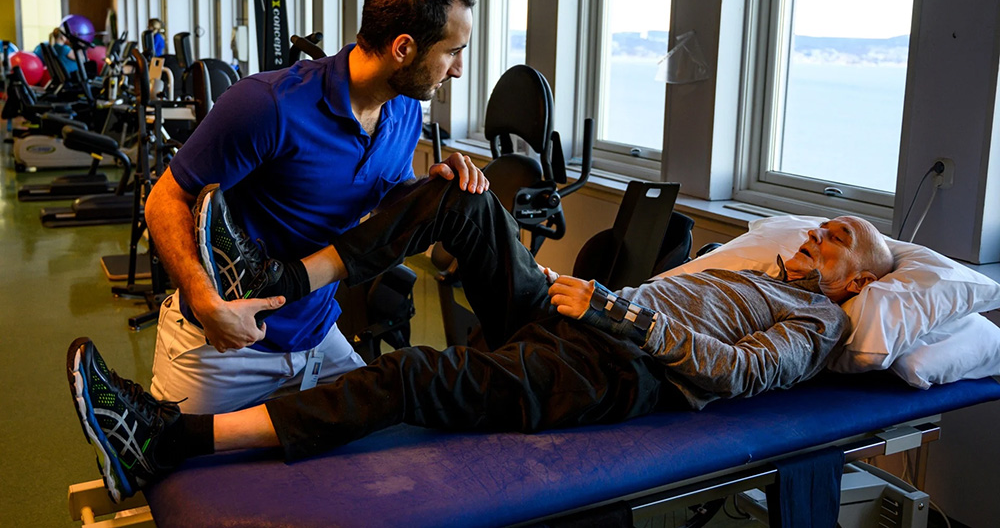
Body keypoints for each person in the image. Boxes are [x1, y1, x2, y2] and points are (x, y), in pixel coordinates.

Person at [68, 177, 894, 502]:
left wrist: (617, 311)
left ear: (855, 281)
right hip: (580, 317)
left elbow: (737, 374)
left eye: (841, 238)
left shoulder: (818, 323)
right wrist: (600, 302)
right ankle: (278, 273)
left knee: (415, 375)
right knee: (461, 201)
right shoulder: (747, 264)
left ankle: (168, 440)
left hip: (612, 370)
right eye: (824, 223)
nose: (823, 231)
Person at [143, 0, 487, 414]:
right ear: (403, 48)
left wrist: (430, 191)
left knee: (364, 463)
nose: (458, 69)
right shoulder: (267, 105)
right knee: (169, 470)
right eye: (453, 52)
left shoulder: (402, 110)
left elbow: (386, 188)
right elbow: (166, 197)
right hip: (225, 345)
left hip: (318, 335)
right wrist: (204, 301)